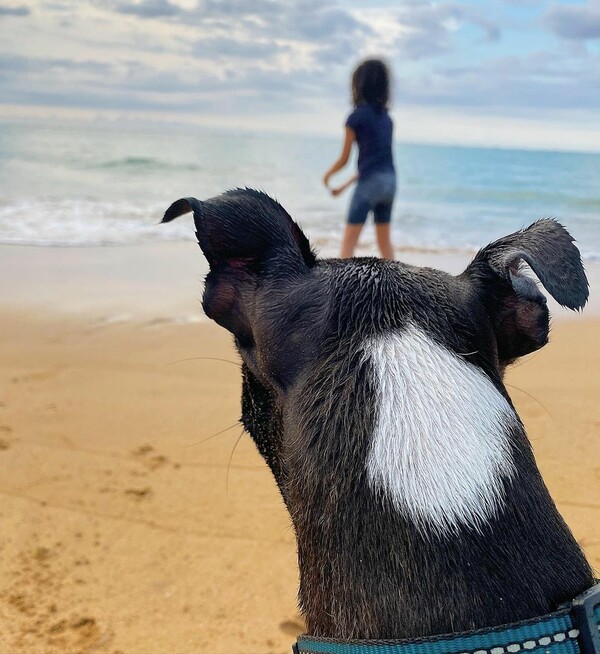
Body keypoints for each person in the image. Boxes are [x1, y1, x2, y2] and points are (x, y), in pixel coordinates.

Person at [323, 58, 396, 259]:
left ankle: (341, 291)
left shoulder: (355, 118)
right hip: (390, 184)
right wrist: (343, 187)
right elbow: (372, 165)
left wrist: (327, 176)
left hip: (370, 183)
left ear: (358, 85)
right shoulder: (387, 120)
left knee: (347, 245)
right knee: (384, 244)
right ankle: (400, 288)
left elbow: (345, 159)